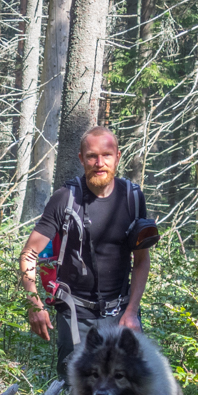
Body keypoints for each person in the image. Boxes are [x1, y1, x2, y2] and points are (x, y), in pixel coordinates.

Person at [18, 126, 153, 380]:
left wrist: (132, 311)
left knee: (124, 394)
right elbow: (29, 254)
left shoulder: (133, 199)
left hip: (121, 315)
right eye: (91, 156)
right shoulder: (66, 199)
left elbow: (141, 261)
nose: (99, 163)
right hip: (75, 315)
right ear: (81, 159)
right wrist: (33, 303)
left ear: (118, 157)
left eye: (106, 155)